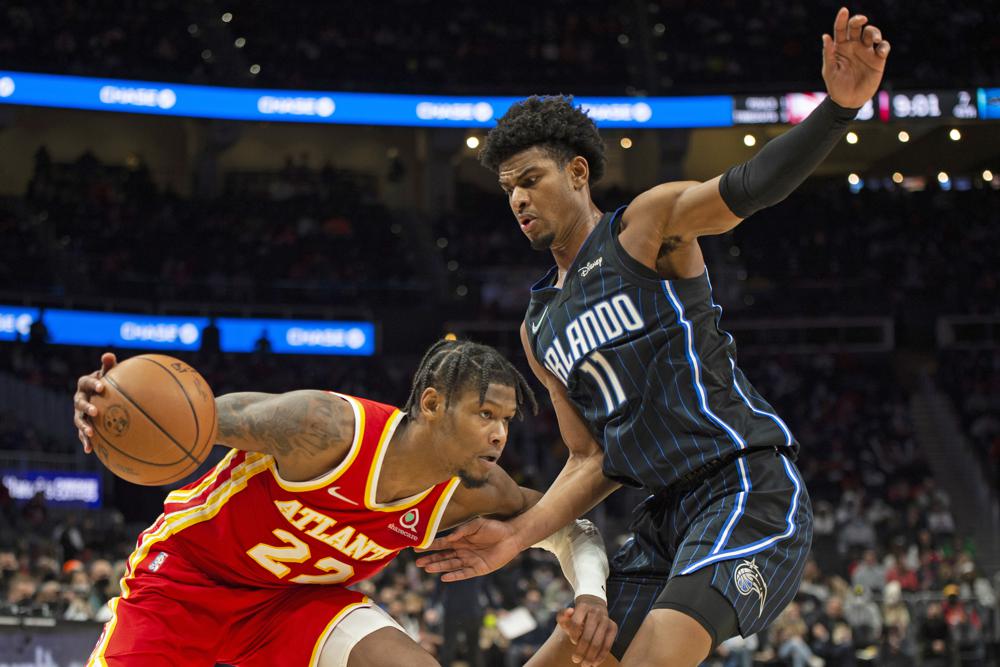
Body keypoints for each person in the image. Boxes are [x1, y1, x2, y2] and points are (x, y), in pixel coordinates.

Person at [416, 8, 890, 666]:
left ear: (578, 173)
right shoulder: (537, 327)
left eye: (531, 180)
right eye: (507, 189)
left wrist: (837, 111)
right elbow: (590, 462)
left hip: (744, 487)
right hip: (662, 517)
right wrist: (515, 536)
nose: (517, 199)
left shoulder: (645, 226)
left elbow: (749, 187)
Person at [72, 339, 615, 667]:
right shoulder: (326, 429)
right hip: (187, 583)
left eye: (506, 421)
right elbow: (201, 416)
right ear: (431, 404)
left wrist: (590, 594)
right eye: (484, 415)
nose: (500, 435)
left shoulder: (471, 494)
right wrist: (112, 405)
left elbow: (572, 526)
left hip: (292, 606)